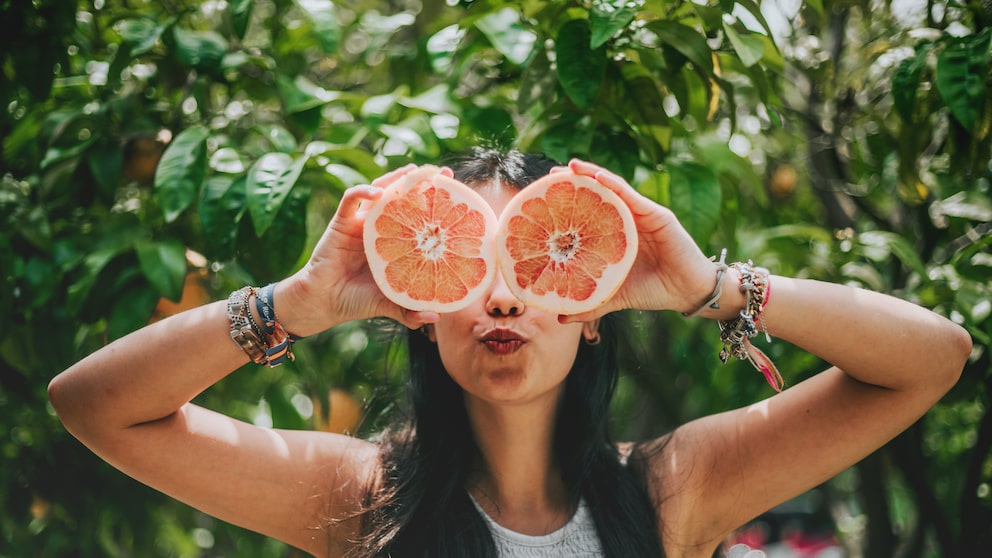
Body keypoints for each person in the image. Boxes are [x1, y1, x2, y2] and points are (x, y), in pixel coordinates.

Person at [48, 148, 971, 558]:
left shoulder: (672, 489)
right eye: (463, 261)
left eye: (533, 256)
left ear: (593, 302)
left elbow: (933, 357)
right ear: (416, 303)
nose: (499, 294)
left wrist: (711, 289)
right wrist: (292, 303)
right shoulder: (360, 501)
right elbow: (93, 404)